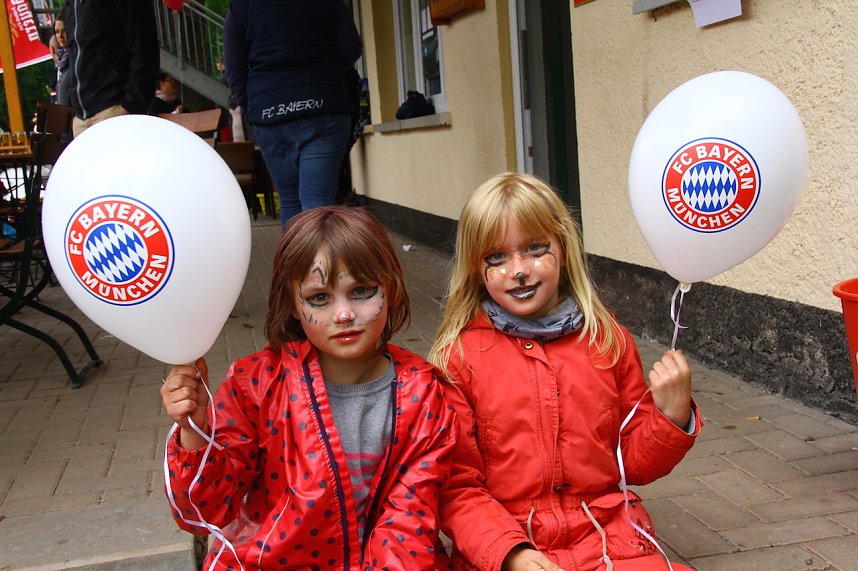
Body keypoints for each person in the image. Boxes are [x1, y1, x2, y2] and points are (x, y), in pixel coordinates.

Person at [429, 173, 702, 571]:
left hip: (608, 536)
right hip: (508, 543)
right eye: (497, 258)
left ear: (564, 246)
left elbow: (635, 464)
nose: (518, 270)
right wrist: (511, 554)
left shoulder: (607, 340)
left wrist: (671, 417)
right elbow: (457, 486)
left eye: (536, 248)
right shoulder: (460, 358)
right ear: (475, 267)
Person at [161, 206, 457, 569]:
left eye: (361, 291)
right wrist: (195, 433)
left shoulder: (423, 392)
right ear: (292, 304)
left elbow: (408, 521)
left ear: (391, 288)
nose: (343, 314)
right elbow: (204, 510)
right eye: (320, 298)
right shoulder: (254, 385)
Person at [224, 0, 363, 228]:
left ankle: (294, 263)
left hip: (271, 114)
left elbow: (234, 68)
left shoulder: (241, 6)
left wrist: (252, 109)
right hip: (323, 108)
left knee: (289, 201)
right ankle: (321, 263)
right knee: (318, 204)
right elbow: (351, 48)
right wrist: (323, 69)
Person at [62, 0, 159, 137]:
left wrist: (131, 106)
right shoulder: (71, 4)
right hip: (81, 119)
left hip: (114, 110)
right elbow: (77, 52)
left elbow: (145, 47)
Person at [51, 17, 71, 106]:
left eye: (64, 30)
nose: (60, 35)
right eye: (57, 32)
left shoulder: (78, 58)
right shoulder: (59, 64)